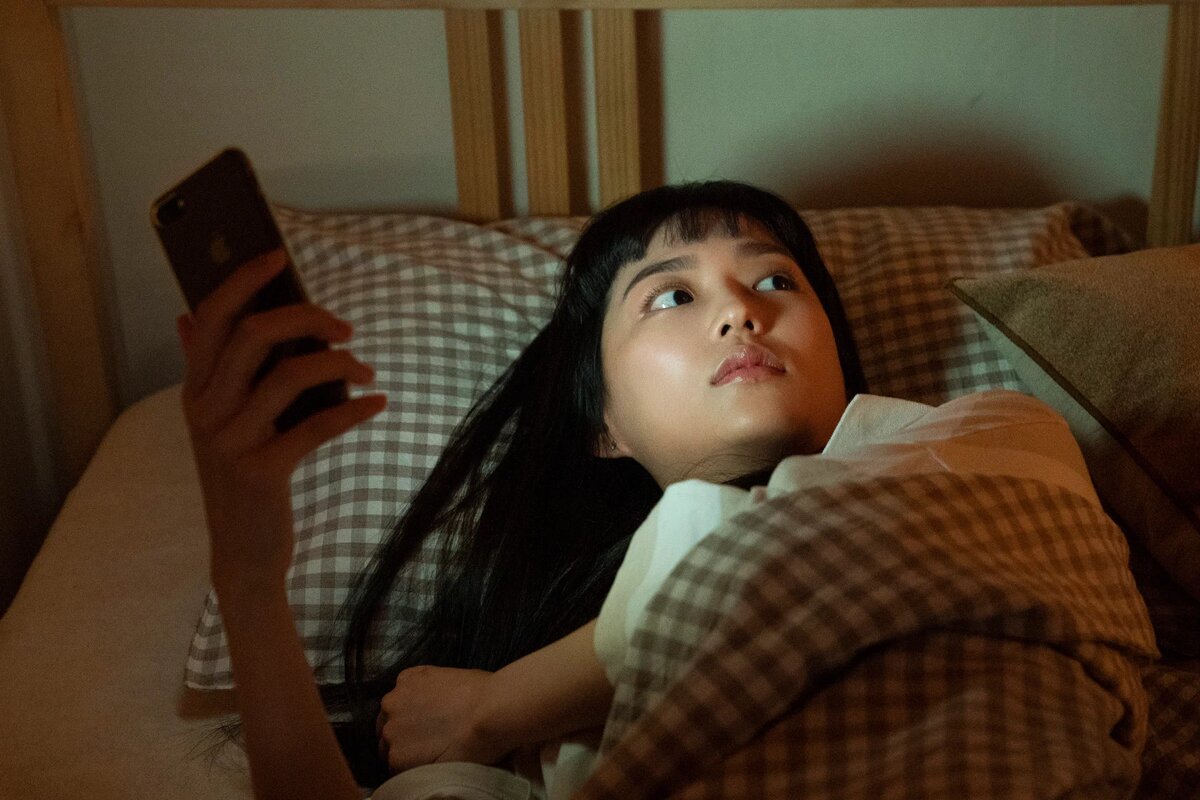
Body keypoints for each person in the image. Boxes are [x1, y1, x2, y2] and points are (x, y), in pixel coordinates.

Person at [175, 181, 869, 800]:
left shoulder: (927, 449)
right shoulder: (548, 755)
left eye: (776, 280)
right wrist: (249, 580)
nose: (740, 310)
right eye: (673, 296)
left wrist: (496, 705)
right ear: (603, 423)